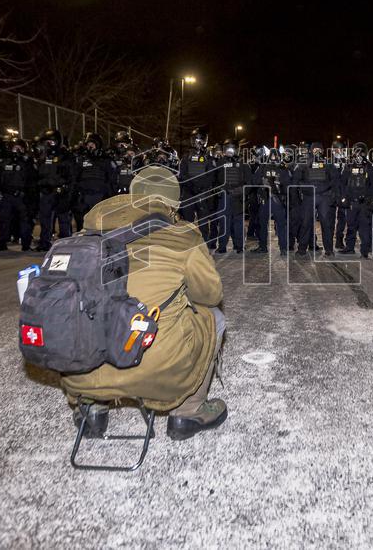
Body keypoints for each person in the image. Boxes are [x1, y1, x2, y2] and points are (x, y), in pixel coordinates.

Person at [61, 166, 228, 441]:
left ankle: (92, 407)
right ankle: (188, 412)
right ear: (172, 203)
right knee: (214, 316)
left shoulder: (85, 234)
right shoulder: (182, 235)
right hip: (157, 366)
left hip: (82, 368)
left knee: (91, 314)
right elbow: (210, 295)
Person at [35, 128, 74, 252]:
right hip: (46, 192)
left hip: (60, 192)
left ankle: (65, 244)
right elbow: (37, 174)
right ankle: (44, 242)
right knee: (45, 219)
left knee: (63, 219)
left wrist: (67, 191)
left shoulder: (65, 156)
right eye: (47, 142)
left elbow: (71, 176)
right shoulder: (43, 156)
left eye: (51, 142)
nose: (49, 144)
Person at [0, 137, 36, 251]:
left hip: (21, 196)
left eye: (19, 148)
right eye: (14, 148)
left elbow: (32, 179)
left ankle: (26, 244)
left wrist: (29, 196)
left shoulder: (28, 162)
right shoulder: (4, 162)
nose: (16, 150)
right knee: (4, 220)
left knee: (25, 221)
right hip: (7, 195)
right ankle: (2, 242)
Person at [339, 143, 373, 258]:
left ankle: (364, 251)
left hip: (364, 202)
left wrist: (372, 199)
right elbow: (343, 182)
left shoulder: (368, 166)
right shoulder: (349, 165)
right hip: (352, 202)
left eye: (361, 152)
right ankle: (350, 248)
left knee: (364, 227)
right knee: (351, 226)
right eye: (357, 151)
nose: (359, 154)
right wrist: (344, 198)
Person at [215, 139, 249, 254]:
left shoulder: (243, 163)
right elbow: (215, 178)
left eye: (232, 148)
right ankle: (222, 246)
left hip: (238, 196)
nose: (230, 151)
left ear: (236, 150)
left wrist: (242, 190)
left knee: (238, 222)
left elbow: (249, 181)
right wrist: (218, 189)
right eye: (227, 148)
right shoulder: (220, 162)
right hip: (224, 196)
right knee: (224, 222)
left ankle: (239, 246)